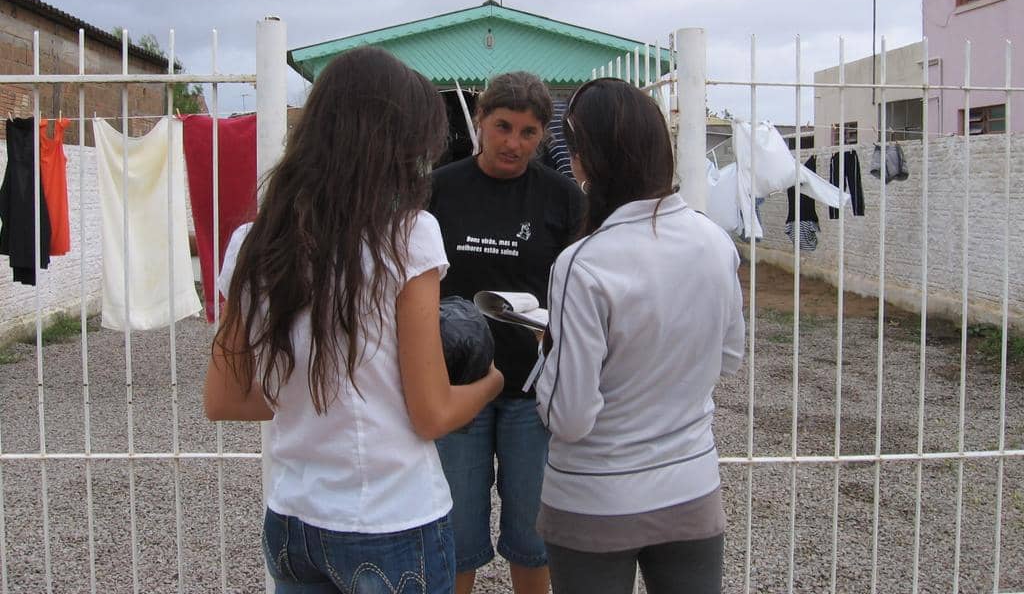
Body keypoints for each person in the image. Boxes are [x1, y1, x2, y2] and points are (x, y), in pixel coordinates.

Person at [203, 46, 504, 594]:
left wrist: (312, 401)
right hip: (390, 517)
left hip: (293, 520)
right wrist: (491, 383)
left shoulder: (252, 243)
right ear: (391, 145)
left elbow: (223, 398)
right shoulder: (407, 236)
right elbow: (432, 413)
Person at [534, 78, 745, 594]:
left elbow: (569, 415)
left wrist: (545, 354)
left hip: (595, 497)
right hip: (691, 485)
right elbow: (729, 355)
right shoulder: (714, 241)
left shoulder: (581, 263)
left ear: (585, 155)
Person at [429, 71, 583, 594]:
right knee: (452, 532)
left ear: (544, 136)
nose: (513, 143)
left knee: (534, 536)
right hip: (455, 389)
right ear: (479, 122)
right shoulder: (438, 188)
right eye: (502, 127)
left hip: (533, 391)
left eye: (527, 133)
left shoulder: (563, 198)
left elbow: (581, 287)